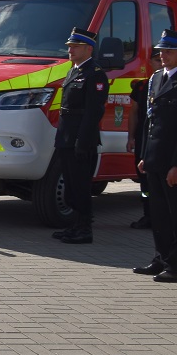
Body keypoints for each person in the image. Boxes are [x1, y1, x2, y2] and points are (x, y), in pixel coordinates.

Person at [52, 26, 108, 245]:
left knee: (81, 186)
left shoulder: (95, 73)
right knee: (71, 186)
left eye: (75, 46)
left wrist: (82, 141)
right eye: (69, 46)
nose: (70, 50)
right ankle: (74, 225)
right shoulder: (73, 71)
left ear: (88, 48)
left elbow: (94, 111)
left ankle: (84, 229)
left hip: (80, 139)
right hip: (66, 137)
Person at [138, 30, 177, 282]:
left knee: (174, 215)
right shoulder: (156, 78)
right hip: (154, 158)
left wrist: (176, 165)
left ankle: (175, 266)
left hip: (171, 161)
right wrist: (145, 155)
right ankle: (161, 258)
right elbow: (149, 121)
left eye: (169, 51)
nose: (163, 55)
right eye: (161, 51)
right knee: (159, 214)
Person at [128, 52, 162, 231]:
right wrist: (130, 137)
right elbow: (134, 113)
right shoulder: (142, 87)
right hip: (143, 140)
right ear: (150, 62)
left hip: (163, 141)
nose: (161, 63)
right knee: (144, 181)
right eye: (157, 60)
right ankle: (148, 214)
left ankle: (162, 216)